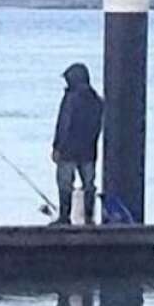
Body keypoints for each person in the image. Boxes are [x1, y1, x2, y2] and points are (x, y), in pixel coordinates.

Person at [51, 62, 103, 225]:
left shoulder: (70, 99)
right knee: (89, 184)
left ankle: (65, 217)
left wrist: (57, 147)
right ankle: (89, 217)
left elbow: (64, 124)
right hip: (89, 150)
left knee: (65, 184)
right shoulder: (96, 100)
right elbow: (99, 126)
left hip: (68, 150)